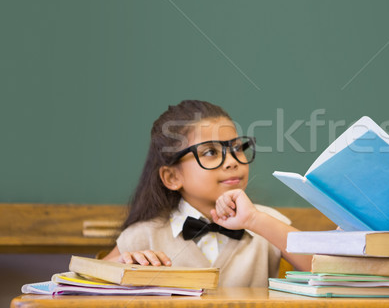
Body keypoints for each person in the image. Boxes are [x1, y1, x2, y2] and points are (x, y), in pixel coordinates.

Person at [103, 100, 311, 287]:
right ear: (172, 177)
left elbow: (329, 271)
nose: (232, 161)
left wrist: (255, 220)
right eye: (210, 152)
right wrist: (120, 264)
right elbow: (85, 277)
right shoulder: (145, 234)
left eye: (237, 148)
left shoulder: (267, 223)